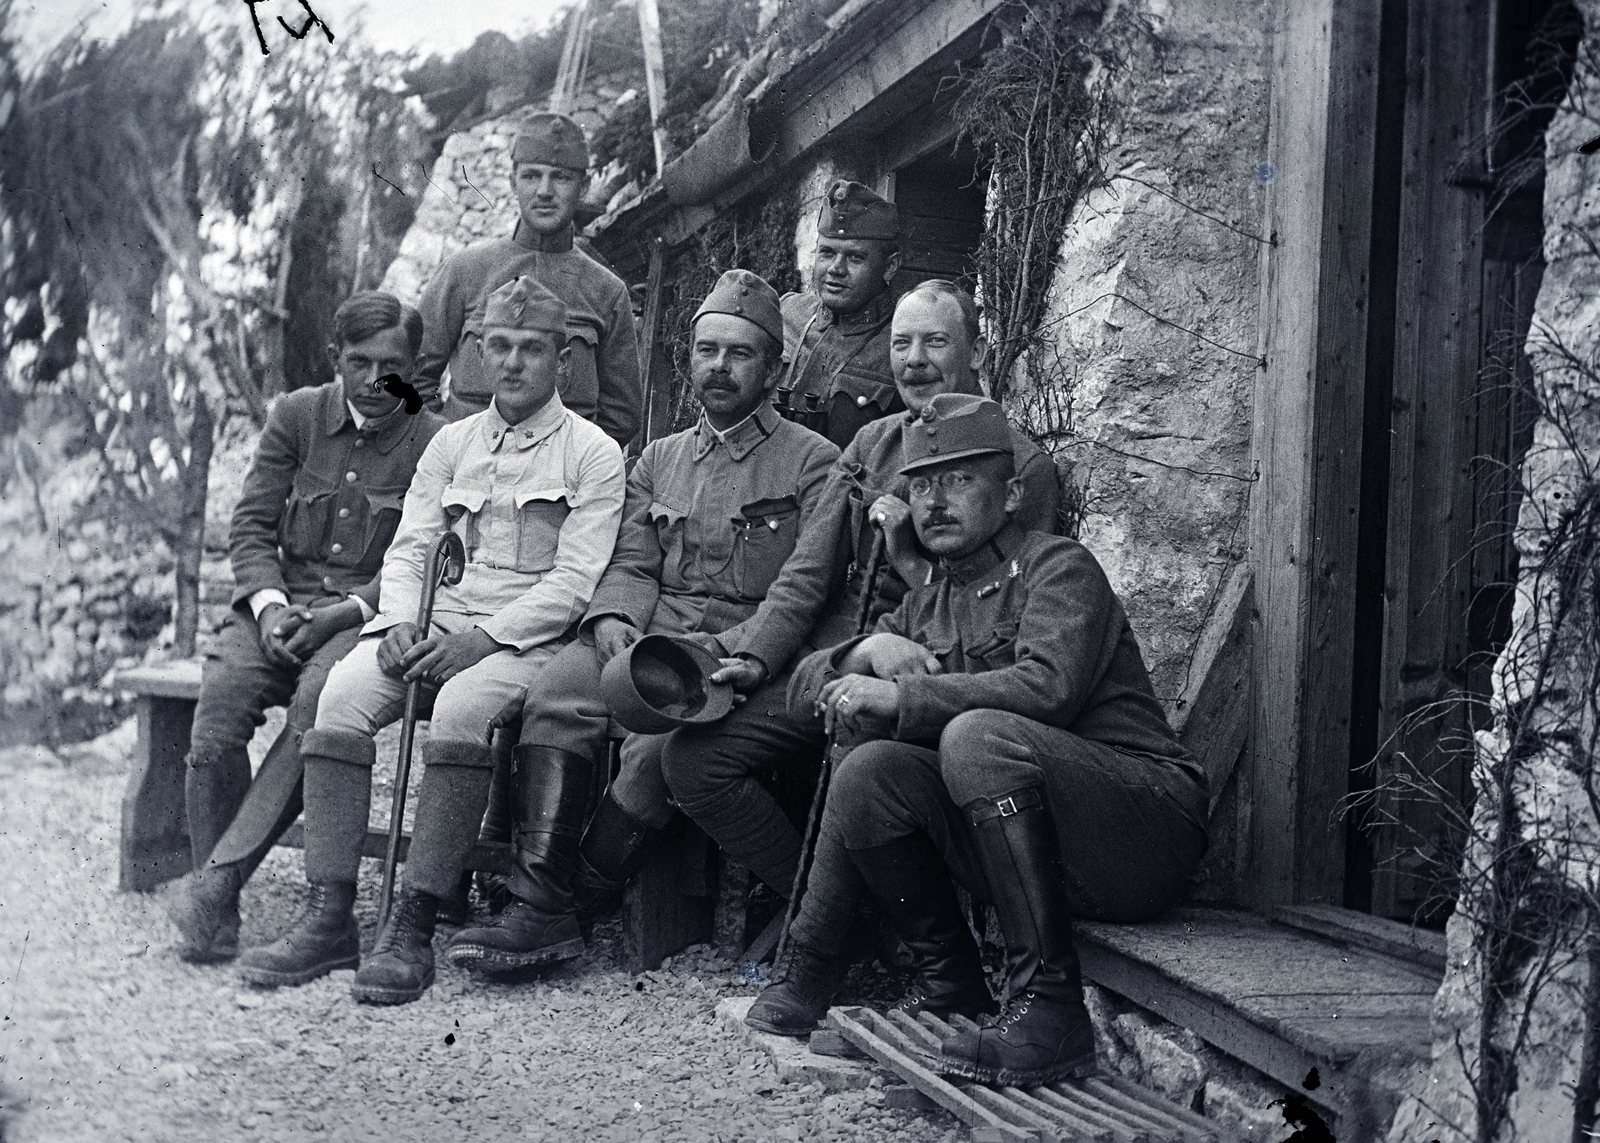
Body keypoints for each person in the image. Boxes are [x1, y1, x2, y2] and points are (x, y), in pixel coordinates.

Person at [766, 395, 1208, 1087]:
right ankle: (949, 979)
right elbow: (802, 693)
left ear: (1011, 494)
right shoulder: (927, 602)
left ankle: (1051, 1008)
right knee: (869, 772)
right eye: (919, 485)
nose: (934, 501)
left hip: (1141, 831)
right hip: (1055, 853)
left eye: (959, 480)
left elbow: (1047, 689)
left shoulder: (1059, 568)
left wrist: (906, 694)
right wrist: (869, 649)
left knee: (975, 736)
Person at [235, 275, 627, 1005]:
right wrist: (400, 621)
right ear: (477, 351)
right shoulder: (451, 442)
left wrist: (481, 640)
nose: (511, 363)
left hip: (521, 642)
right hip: (429, 623)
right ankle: (331, 917)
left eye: (531, 349)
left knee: (458, 710)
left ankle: (414, 920)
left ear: (563, 360)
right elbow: (412, 545)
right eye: (498, 346)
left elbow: (574, 582)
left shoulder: (593, 454)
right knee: (342, 694)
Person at [444, 269, 840, 973]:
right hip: (647, 640)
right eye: (707, 350)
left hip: (733, 655)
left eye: (740, 353)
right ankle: (538, 900)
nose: (719, 367)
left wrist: (750, 651)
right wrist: (613, 620)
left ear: (774, 369)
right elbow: (630, 560)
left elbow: (804, 588)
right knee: (558, 691)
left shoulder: (815, 463)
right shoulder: (659, 458)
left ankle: (569, 909)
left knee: (659, 749)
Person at [652, 280, 1064, 953]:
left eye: (935, 341)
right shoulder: (872, 444)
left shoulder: (1019, 465)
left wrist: (906, 560)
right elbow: (808, 573)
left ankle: (825, 944)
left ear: (976, 350)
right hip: (837, 657)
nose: (914, 359)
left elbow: (1006, 610)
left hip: (930, 673)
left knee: (856, 752)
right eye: (902, 343)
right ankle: (836, 911)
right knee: (694, 760)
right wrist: (755, 657)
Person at [165, 292, 444, 964]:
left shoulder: (433, 438)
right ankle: (221, 907)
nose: (377, 381)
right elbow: (253, 524)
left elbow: (424, 553)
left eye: (393, 365)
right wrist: (267, 605)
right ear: (334, 360)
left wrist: (344, 614)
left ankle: (217, 881)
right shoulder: (296, 415)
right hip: (280, 607)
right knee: (218, 713)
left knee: (316, 707)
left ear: (414, 366)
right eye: (359, 362)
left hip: (364, 619)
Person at [416, 112, 642, 445]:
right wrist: (449, 446)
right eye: (532, 176)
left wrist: (570, 463)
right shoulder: (463, 272)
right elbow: (414, 378)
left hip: (558, 488)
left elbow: (623, 413)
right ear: (512, 182)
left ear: (585, 186)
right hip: (466, 478)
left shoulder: (607, 291)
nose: (545, 191)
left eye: (561, 178)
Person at [775, 180, 904, 450]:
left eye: (855, 257)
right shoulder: (786, 313)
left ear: (889, 266)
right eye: (827, 252)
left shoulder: (903, 342)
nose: (836, 268)